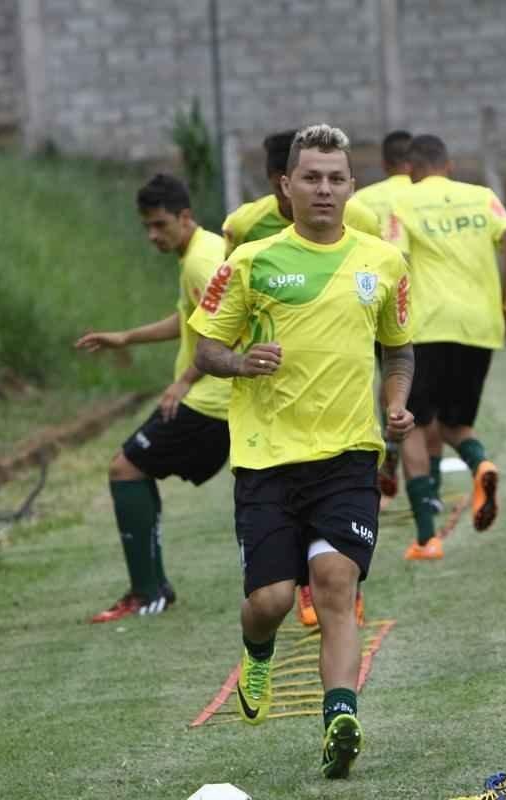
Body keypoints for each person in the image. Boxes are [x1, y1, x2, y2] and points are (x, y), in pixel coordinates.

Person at [190, 123, 414, 780]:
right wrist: (240, 362)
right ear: (286, 186)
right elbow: (206, 349)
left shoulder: (383, 261)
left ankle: (340, 719)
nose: (324, 189)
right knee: (272, 601)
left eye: (336, 178)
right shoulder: (249, 262)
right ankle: (256, 652)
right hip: (267, 457)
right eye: (311, 177)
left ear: (352, 186)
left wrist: (396, 402)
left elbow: (398, 351)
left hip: (348, 454)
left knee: (336, 584)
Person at [74, 174, 232, 623]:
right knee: (132, 468)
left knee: (125, 468)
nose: (152, 235)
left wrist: (184, 382)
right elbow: (191, 319)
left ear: (185, 217)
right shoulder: (201, 252)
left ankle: (148, 592)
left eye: (160, 225)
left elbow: (227, 329)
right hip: (211, 396)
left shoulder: (202, 262)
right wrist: (126, 337)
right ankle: (152, 587)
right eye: (146, 226)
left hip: (211, 401)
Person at [387, 134, 506, 560]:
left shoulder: (402, 203)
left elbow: (395, 262)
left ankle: (427, 538)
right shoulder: (481, 197)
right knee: (454, 424)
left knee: (412, 423)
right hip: (481, 324)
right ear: (448, 165)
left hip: (428, 325)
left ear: (411, 169)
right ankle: (481, 464)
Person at [354, 130, 418, 500]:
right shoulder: (425, 195)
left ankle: (387, 455)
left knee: (386, 381)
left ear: (384, 162)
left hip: (374, 304)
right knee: (425, 407)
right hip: (427, 311)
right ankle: (428, 490)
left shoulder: (361, 200)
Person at [221, 129, 381, 256]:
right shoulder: (243, 225)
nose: (291, 199)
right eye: (280, 189)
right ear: (283, 184)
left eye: (310, 180)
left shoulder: (362, 221)